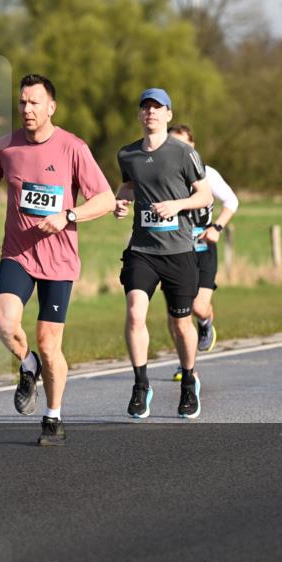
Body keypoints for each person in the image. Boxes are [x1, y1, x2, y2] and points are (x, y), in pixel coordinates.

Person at [0, 74, 114, 446]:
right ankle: (27, 364)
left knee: (49, 343)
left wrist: (69, 216)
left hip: (59, 261)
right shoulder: (6, 147)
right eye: (22, 102)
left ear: (51, 107)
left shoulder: (73, 147)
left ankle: (53, 417)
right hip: (17, 254)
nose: (27, 109)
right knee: (5, 323)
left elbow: (103, 198)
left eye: (34, 103)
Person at [114, 88, 211, 419]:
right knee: (134, 312)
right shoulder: (127, 154)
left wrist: (177, 205)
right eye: (146, 107)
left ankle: (188, 382)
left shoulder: (183, 153)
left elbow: (205, 196)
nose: (151, 112)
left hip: (179, 250)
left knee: (183, 322)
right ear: (140, 115)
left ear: (168, 114)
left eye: (158, 108)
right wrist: (120, 201)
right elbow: (128, 185)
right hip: (142, 250)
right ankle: (141, 385)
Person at [167, 125, 240, 381]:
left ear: (192, 147)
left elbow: (232, 201)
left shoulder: (207, 174)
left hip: (202, 247)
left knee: (198, 307)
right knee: (176, 312)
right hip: (174, 249)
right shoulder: (163, 174)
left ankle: (206, 321)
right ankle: (185, 365)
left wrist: (217, 227)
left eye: (182, 146)